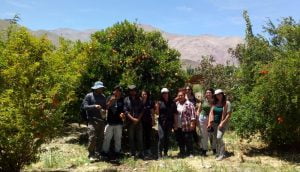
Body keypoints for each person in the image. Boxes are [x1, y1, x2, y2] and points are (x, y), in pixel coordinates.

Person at [82, 81, 107, 161]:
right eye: (99, 88)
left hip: (101, 121)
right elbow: (85, 107)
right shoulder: (89, 96)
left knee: (100, 138)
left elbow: (105, 107)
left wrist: (104, 111)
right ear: (95, 88)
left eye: (101, 88)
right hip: (92, 120)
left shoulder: (103, 96)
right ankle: (91, 154)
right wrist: (94, 106)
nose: (101, 89)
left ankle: (98, 153)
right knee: (92, 138)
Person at [208, 89, 232, 161]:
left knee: (219, 137)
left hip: (222, 124)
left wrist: (222, 123)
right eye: (217, 95)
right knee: (216, 139)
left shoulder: (227, 103)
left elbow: (228, 114)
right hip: (214, 123)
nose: (218, 96)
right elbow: (211, 113)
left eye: (220, 94)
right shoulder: (214, 102)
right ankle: (218, 153)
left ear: (222, 94)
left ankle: (222, 154)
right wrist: (210, 122)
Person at [102, 85, 124, 159]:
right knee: (107, 138)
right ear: (113, 91)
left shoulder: (122, 99)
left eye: (118, 91)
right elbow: (106, 108)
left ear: (120, 92)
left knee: (118, 138)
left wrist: (123, 114)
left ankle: (117, 152)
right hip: (110, 122)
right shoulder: (109, 97)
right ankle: (105, 152)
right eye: (116, 90)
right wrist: (111, 101)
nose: (117, 92)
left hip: (118, 122)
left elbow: (124, 110)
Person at [174, 90, 196, 157]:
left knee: (188, 139)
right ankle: (182, 152)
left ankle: (191, 152)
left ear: (184, 96)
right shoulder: (176, 104)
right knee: (180, 139)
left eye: (181, 95)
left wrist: (192, 123)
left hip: (187, 125)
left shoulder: (189, 104)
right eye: (179, 95)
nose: (180, 97)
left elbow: (193, 114)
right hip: (178, 125)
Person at [124, 85, 144, 158]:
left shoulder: (140, 99)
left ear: (136, 91)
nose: (133, 91)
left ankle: (141, 153)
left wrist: (138, 119)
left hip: (139, 121)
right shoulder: (126, 99)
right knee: (131, 138)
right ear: (129, 91)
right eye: (131, 90)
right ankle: (133, 153)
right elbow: (126, 111)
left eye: (134, 90)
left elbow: (142, 110)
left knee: (140, 138)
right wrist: (133, 119)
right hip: (130, 122)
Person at [156, 88, 176, 159]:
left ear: (168, 93)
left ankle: (165, 153)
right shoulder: (159, 102)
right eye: (163, 93)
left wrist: (174, 123)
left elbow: (174, 113)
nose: (165, 94)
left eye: (166, 93)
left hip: (169, 122)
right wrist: (157, 107)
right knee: (161, 137)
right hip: (161, 123)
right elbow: (157, 113)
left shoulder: (172, 102)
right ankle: (159, 154)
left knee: (167, 138)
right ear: (162, 94)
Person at [197, 88, 215, 156]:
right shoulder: (203, 101)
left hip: (212, 119)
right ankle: (204, 150)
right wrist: (197, 118)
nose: (208, 94)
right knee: (204, 135)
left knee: (212, 134)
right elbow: (199, 110)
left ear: (212, 93)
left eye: (209, 92)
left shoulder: (215, 101)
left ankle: (214, 149)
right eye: (207, 92)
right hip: (203, 118)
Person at [140, 90, 155, 157]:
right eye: (143, 94)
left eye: (145, 94)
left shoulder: (150, 102)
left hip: (148, 121)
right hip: (140, 122)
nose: (144, 95)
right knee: (141, 136)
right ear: (141, 95)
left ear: (147, 95)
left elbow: (152, 112)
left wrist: (153, 120)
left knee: (148, 136)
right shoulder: (139, 102)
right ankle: (142, 150)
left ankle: (148, 150)